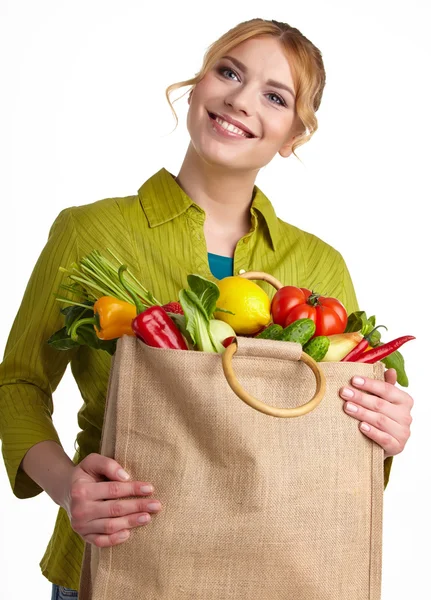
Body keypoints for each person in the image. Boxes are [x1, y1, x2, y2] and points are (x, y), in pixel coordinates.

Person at [0, 17, 413, 599]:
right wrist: (69, 488)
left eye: (275, 96)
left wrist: (388, 429)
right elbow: (17, 383)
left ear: (294, 134)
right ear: (197, 86)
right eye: (228, 72)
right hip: (117, 559)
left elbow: (338, 446)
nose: (241, 100)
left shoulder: (320, 267)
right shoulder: (90, 232)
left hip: (276, 573)